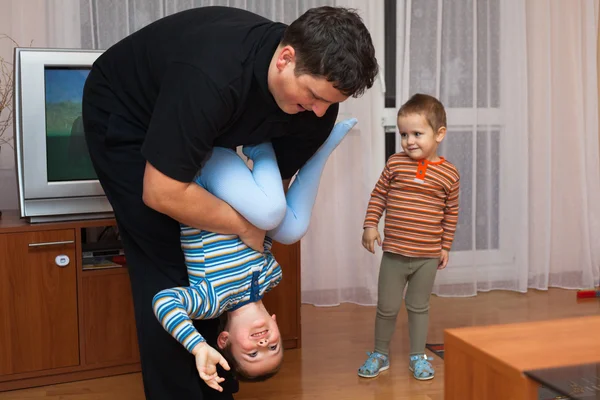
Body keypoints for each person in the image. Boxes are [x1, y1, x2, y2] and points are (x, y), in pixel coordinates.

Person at [81, 4, 378, 399]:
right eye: (313, 96)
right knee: (166, 260)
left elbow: (272, 193)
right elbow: (161, 191)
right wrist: (242, 226)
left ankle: (220, 374)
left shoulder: (317, 108)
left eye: (329, 102)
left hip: (197, 123)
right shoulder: (212, 77)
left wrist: (254, 226)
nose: (320, 112)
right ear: (285, 59)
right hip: (127, 112)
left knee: (222, 261)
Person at [152, 118, 357, 392]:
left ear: (224, 340)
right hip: (234, 190)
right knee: (292, 228)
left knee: (271, 212)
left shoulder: (210, 302)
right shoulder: (271, 277)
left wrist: (199, 346)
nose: (263, 344)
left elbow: (164, 302)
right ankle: (317, 155)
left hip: (203, 179)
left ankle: (260, 146)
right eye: (273, 346)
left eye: (252, 353)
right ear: (275, 323)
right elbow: (264, 235)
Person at [357, 94, 460, 381]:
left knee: (418, 307)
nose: (409, 141)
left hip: (427, 256)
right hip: (394, 254)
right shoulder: (395, 164)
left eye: (417, 133)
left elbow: (451, 213)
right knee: (387, 307)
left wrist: (445, 246)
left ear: (439, 134)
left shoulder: (450, 174)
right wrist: (370, 225)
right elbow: (379, 195)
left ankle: (418, 355)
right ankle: (380, 353)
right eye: (404, 134)